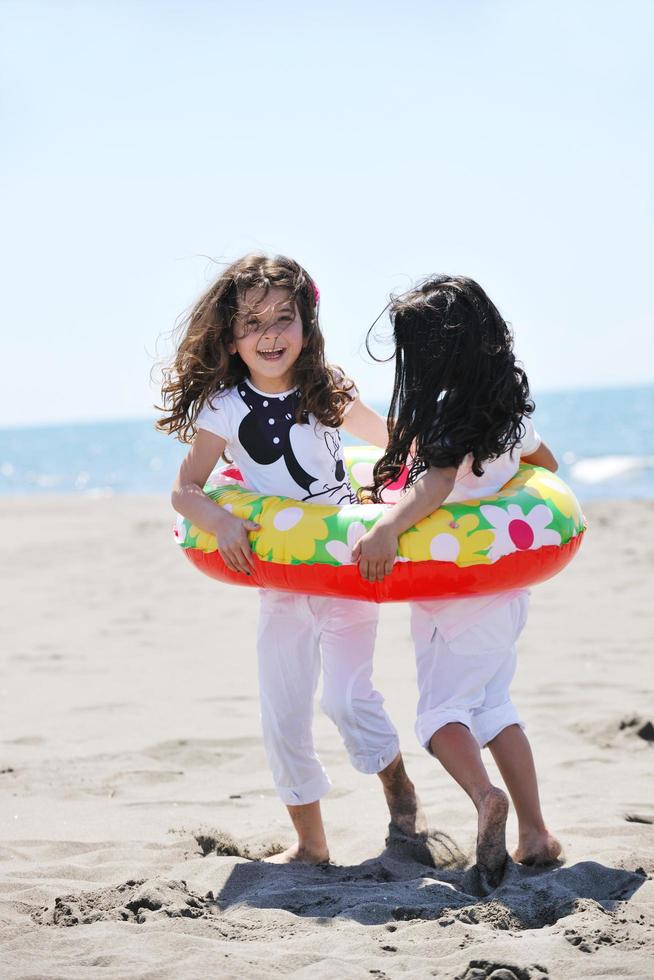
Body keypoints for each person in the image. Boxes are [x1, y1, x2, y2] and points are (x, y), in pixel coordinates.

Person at [158, 254, 424, 864]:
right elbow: (185, 490)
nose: (270, 334)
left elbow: (393, 438)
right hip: (280, 580)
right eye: (252, 323)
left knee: (347, 699)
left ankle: (400, 794)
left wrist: (452, 452)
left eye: (284, 318)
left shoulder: (325, 387)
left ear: (307, 322)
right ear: (230, 336)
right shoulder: (225, 407)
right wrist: (221, 520)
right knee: (282, 711)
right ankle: (311, 845)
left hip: (344, 568)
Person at [352, 275, 562, 891]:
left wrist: (388, 527)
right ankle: (536, 833)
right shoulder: (505, 409)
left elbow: (437, 483)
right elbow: (545, 467)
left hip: (453, 594)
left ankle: (484, 797)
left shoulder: (445, 413)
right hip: (504, 591)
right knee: (495, 707)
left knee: (442, 715)